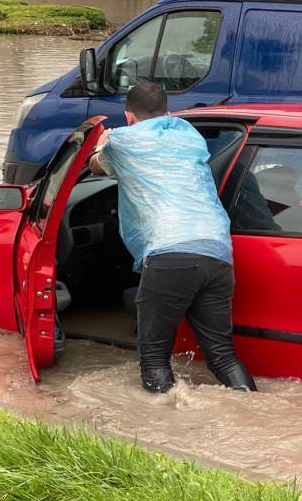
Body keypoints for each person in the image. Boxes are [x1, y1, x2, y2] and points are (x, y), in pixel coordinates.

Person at [89, 82, 256, 394]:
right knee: (222, 356)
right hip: (218, 252)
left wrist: (102, 143)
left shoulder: (122, 140)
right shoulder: (190, 135)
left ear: (129, 116)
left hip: (170, 253)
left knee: (154, 359)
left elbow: (96, 166)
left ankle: (161, 429)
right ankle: (251, 407)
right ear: (166, 113)